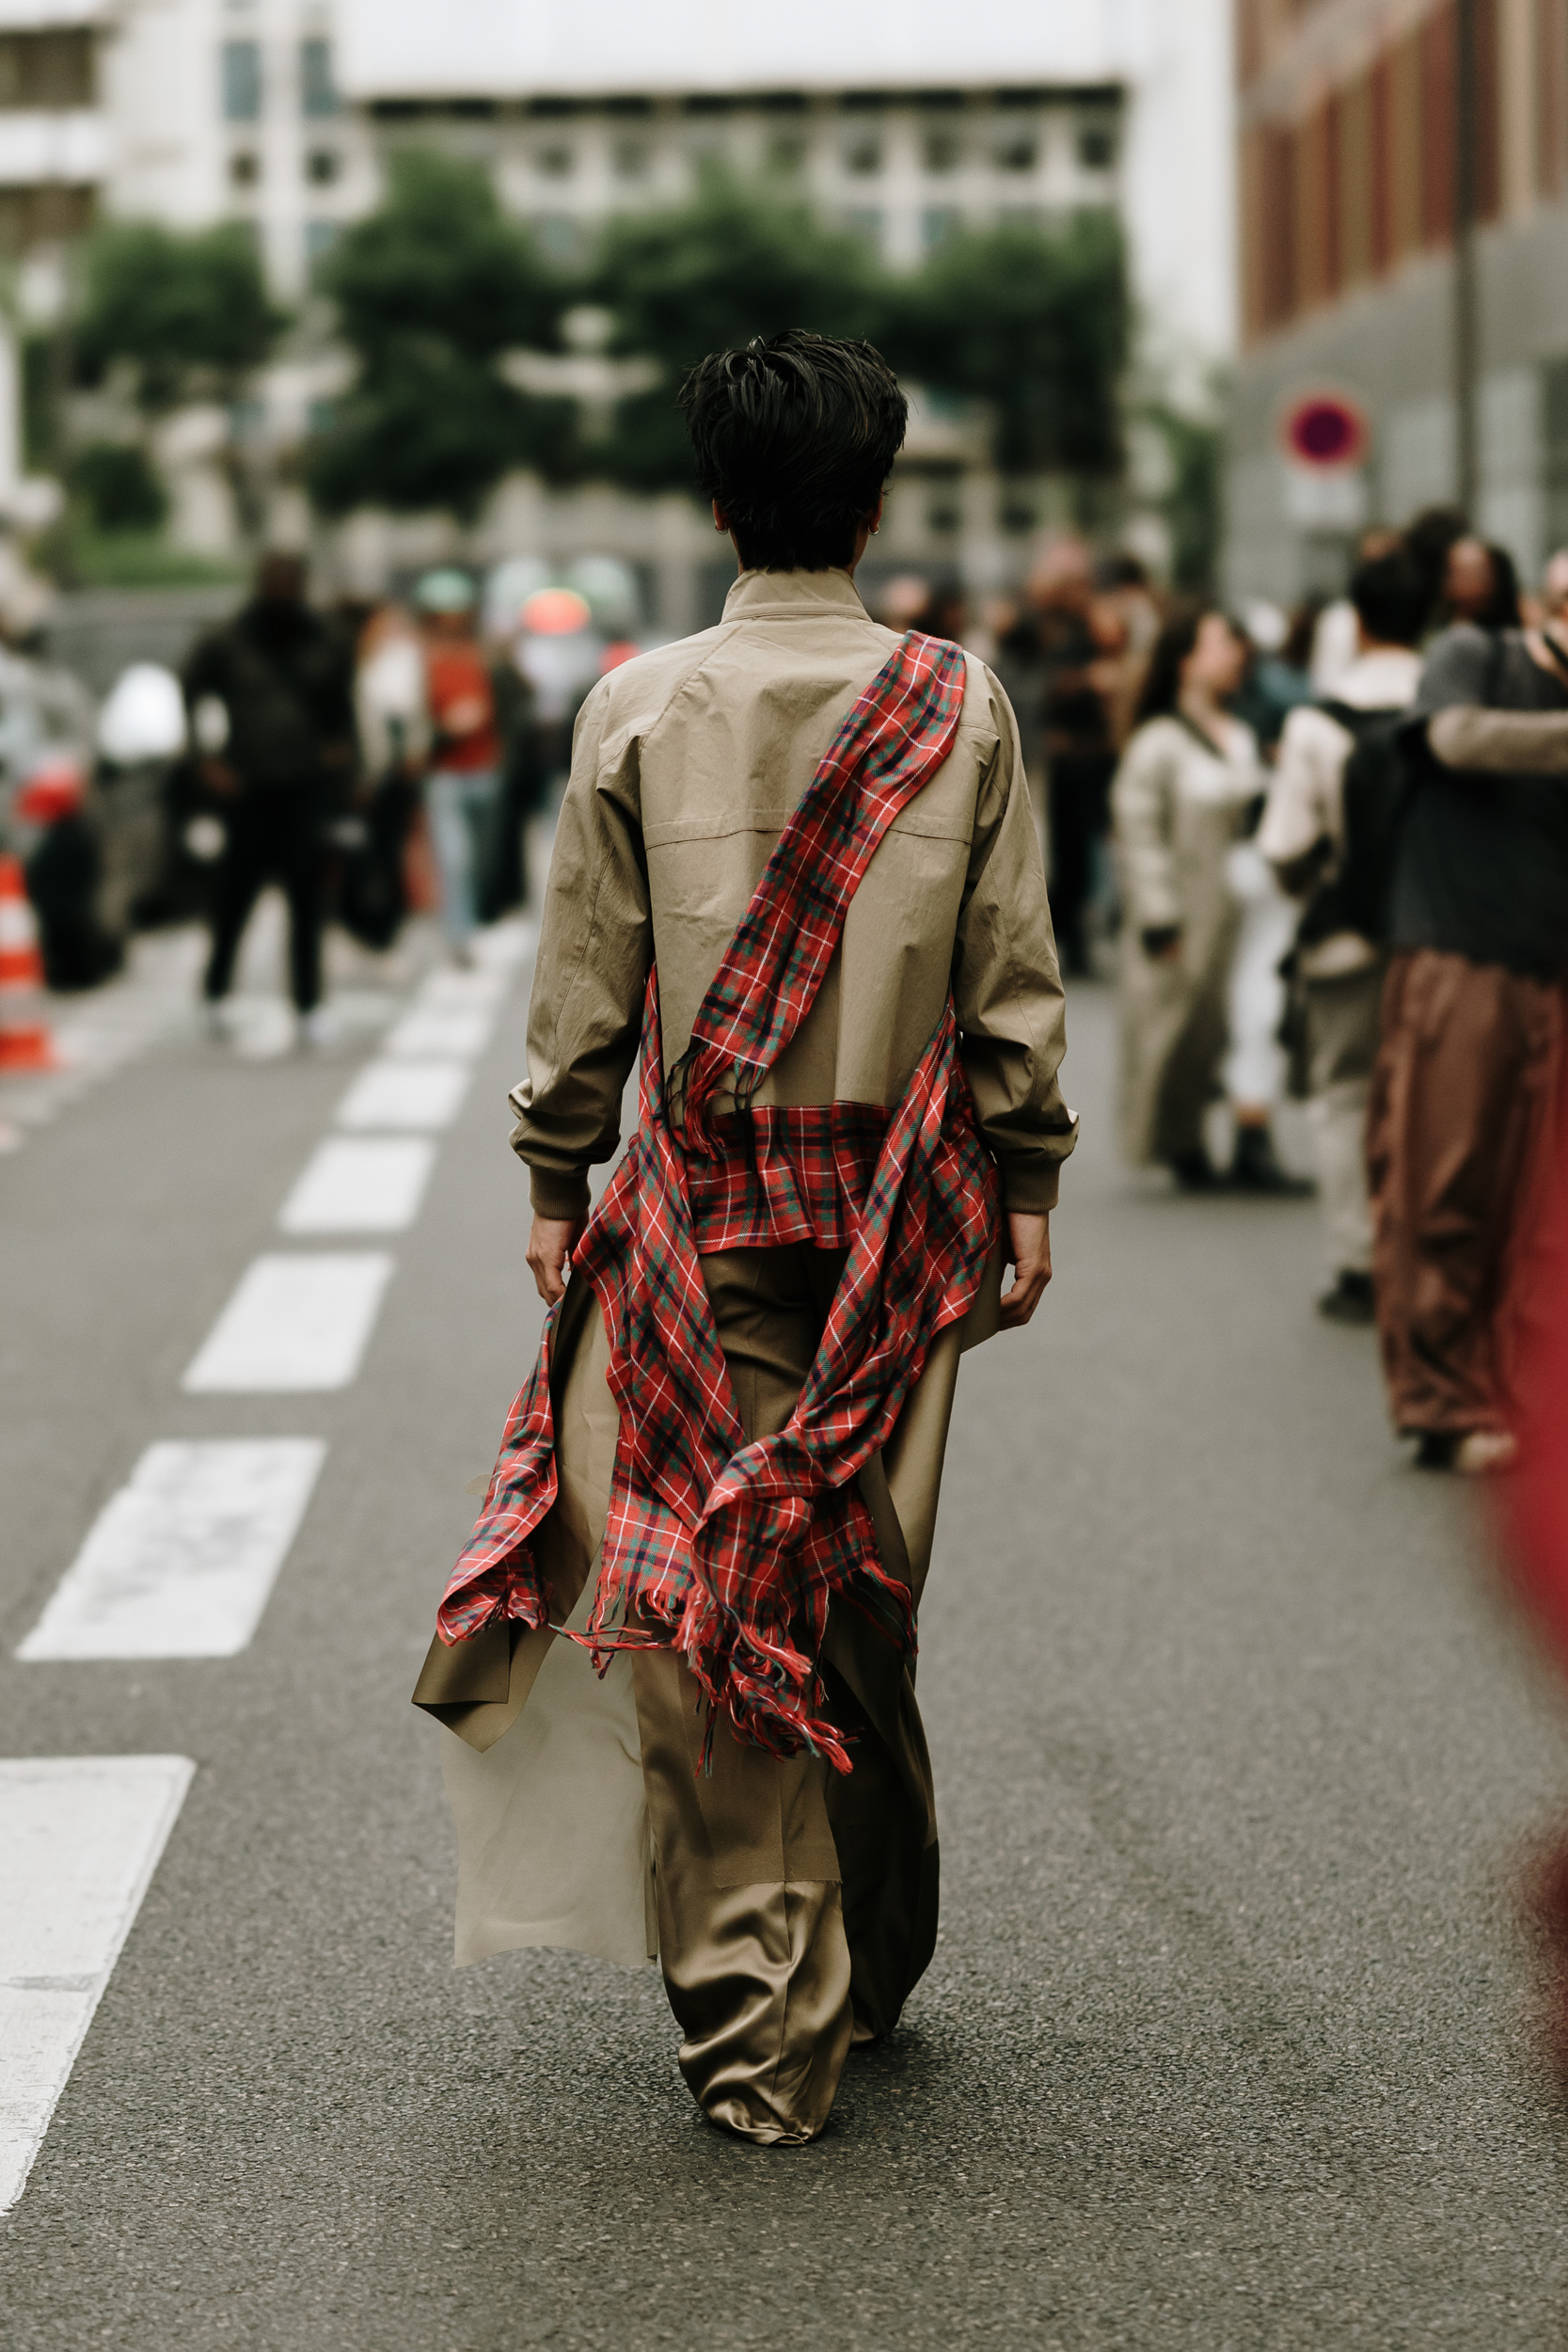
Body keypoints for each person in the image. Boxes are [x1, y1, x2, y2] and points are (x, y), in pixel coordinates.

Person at [412, 329, 1076, 2147]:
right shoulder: (962, 702)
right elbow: (1011, 973)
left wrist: (558, 1180)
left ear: (716, 503)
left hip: (701, 1209)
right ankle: (867, 1951)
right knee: (853, 1581)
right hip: (903, 1216)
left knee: (713, 1588)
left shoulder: (632, 704)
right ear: (875, 498)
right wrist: (1026, 1180)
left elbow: (584, 988)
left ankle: (758, 2016)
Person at [1367, 587, 1568, 1470]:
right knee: (1443, 1182)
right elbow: (1451, 737)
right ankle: (1440, 1402)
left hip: (1550, 969)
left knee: (1538, 1206)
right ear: (1541, 604)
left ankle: (1523, 1396)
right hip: (1461, 957)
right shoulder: (1477, 656)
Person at [1259, 548, 1428, 1320]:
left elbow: (1283, 846)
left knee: (1343, 1099)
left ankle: (1357, 1264)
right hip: (1444, 936)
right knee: (1436, 1101)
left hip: (1346, 941)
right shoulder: (1451, 705)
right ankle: (1429, 1255)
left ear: (1355, 622)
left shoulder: (1315, 722)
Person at [1112, 604, 1284, 1188]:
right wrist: (1159, 913)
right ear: (1185, 658)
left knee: (1253, 1021)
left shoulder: (1240, 736)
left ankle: (1251, 1135)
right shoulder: (1157, 744)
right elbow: (1139, 834)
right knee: (1179, 1032)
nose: (1235, 653)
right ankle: (1178, 1139)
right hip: (1191, 917)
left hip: (1251, 914)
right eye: (1220, 642)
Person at [182, 550, 356, 1046]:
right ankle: (215, 993)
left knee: (306, 900)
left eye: (290, 580)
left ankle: (308, 1003)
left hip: (304, 786)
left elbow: (342, 711)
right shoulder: (228, 639)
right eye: (273, 579)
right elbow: (189, 689)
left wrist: (342, 767)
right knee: (234, 896)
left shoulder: (325, 639)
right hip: (247, 786)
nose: (281, 588)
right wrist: (204, 760)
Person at [416, 568, 501, 962]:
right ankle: (460, 936)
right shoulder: (419, 661)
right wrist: (443, 729)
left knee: (482, 858)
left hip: (485, 767)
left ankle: (477, 920)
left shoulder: (484, 654)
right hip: (445, 773)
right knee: (456, 859)